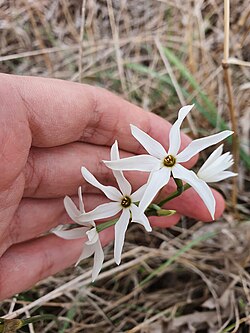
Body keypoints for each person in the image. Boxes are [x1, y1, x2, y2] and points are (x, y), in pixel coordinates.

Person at [0, 74, 225, 300]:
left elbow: (141, 203)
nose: (169, 159)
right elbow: (133, 198)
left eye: (169, 159)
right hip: (124, 201)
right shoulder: (141, 187)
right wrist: (143, 209)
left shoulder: (170, 176)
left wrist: (144, 209)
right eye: (168, 159)